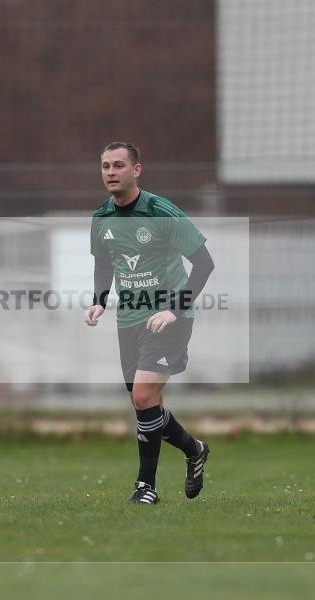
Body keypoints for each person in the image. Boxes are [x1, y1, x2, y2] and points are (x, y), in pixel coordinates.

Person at [84, 142, 215, 504]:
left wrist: (175, 308)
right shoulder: (101, 219)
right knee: (145, 404)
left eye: (118, 166)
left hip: (169, 320)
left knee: (143, 396)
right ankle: (194, 449)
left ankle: (146, 488)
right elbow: (104, 263)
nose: (110, 172)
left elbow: (204, 263)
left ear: (136, 171)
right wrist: (98, 301)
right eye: (105, 166)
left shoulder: (161, 211)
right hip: (128, 320)